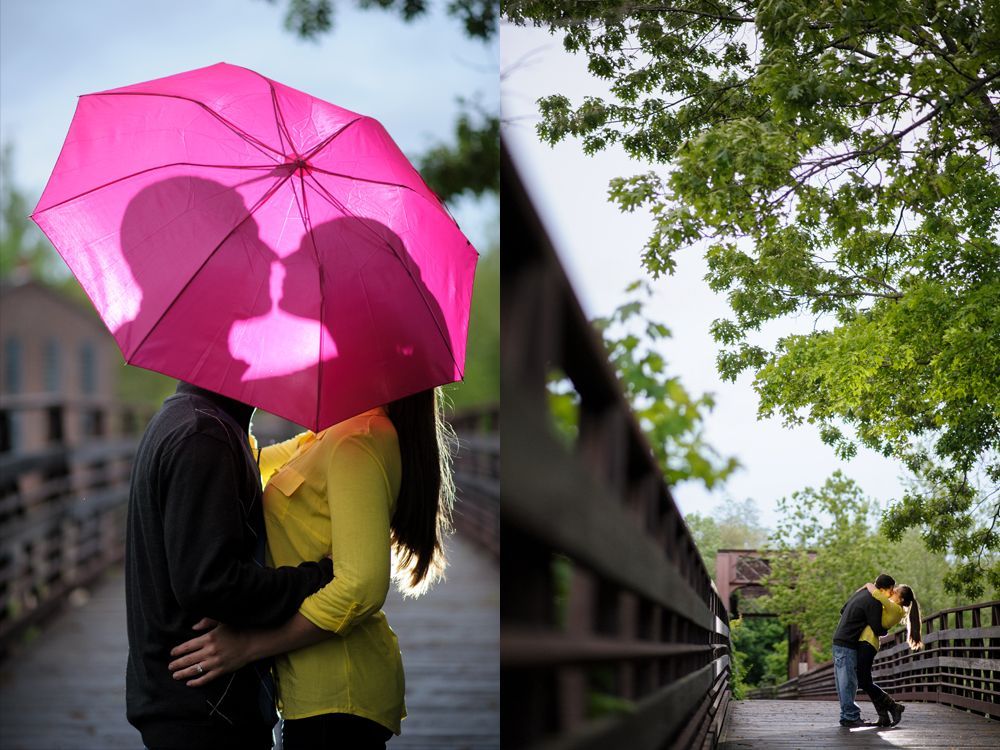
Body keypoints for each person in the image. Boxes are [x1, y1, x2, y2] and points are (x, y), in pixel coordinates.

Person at [167, 387, 455, 750]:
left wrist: (248, 645)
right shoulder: (328, 435)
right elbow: (248, 463)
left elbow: (361, 587)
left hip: (339, 692)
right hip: (310, 689)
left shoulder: (357, 440)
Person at [126, 382, 336, 750]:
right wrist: (319, 577)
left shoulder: (188, 417)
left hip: (187, 699)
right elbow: (210, 584)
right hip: (204, 709)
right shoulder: (204, 436)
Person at [830, 573, 894, 727]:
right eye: (891, 590)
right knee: (848, 682)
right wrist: (886, 630)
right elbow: (878, 629)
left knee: (843, 681)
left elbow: (842, 610)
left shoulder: (860, 594)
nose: (891, 594)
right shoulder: (875, 601)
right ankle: (850, 717)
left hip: (839, 639)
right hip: (848, 642)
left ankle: (847, 716)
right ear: (886, 589)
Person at [857, 582, 922, 726]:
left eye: (895, 591)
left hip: (868, 643)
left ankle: (893, 706)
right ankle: (884, 716)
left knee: (864, 681)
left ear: (900, 599)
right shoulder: (895, 609)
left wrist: (868, 584)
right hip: (867, 642)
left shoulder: (895, 608)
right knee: (865, 681)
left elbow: (877, 594)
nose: (892, 592)